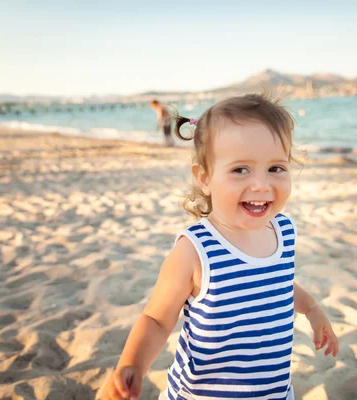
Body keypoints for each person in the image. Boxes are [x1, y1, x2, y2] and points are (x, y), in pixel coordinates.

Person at [101, 93, 339, 400]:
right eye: (241, 169)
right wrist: (131, 364)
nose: (261, 185)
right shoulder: (195, 251)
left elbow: (278, 283)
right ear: (205, 178)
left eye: (276, 168)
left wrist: (312, 309)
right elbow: (157, 320)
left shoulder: (284, 231)